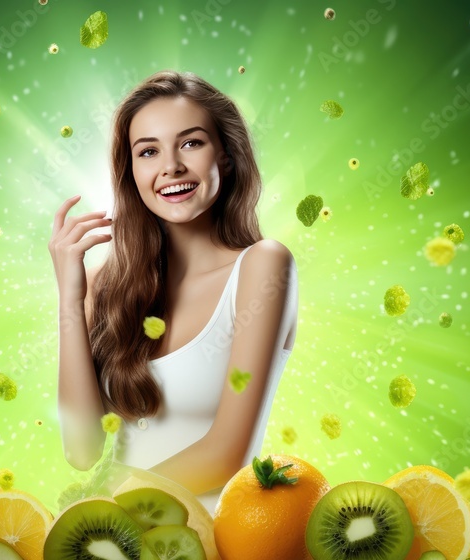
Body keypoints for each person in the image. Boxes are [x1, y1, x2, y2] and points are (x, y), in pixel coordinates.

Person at [48, 70, 298, 513]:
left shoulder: (262, 267)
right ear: (132, 172)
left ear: (226, 157)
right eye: (148, 151)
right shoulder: (108, 286)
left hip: (207, 537)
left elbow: (227, 454)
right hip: (117, 538)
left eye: (191, 143)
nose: (171, 167)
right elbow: (82, 450)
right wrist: (71, 298)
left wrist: (107, 504)